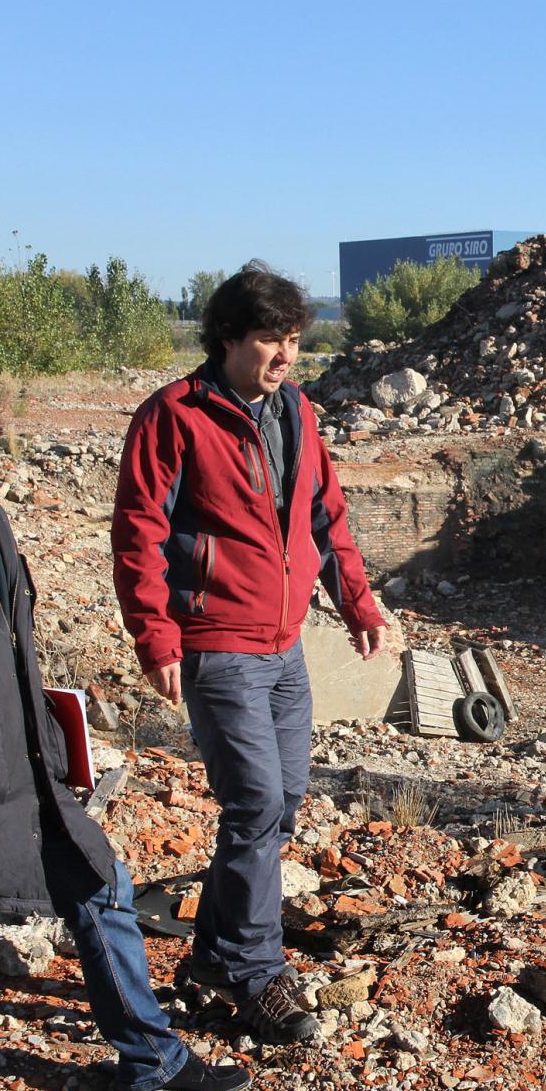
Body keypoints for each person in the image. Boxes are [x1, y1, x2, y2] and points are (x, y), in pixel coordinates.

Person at [0, 343, 249, 1091]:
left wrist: (59, 748)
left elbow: (10, 649)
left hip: (28, 775)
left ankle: (150, 1058)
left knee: (105, 896)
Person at [112, 262, 385, 1045]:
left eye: (295, 340)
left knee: (280, 805)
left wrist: (356, 601)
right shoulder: (174, 415)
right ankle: (257, 974)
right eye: (271, 339)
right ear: (228, 337)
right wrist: (155, 634)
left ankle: (212, 957)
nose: (286, 356)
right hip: (217, 642)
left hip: (285, 646)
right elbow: (140, 531)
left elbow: (326, 516)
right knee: (255, 804)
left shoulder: (296, 411)